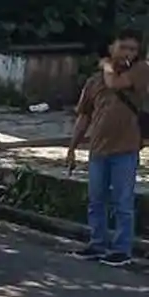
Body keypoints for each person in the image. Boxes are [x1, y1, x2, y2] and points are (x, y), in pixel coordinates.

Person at [68, 28, 148, 267]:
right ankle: (97, 243)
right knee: (96, 200)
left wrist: (106, 66)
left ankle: (122, 249)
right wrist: (72, 147)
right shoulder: (93, 82)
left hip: (126, 148)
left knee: (123, 202)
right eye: (123, 47)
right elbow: (84, 116)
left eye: (133, 49)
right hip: (98, 149)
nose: (128, 53)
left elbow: (116, 83)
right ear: (112, 47)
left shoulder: (141, 70)